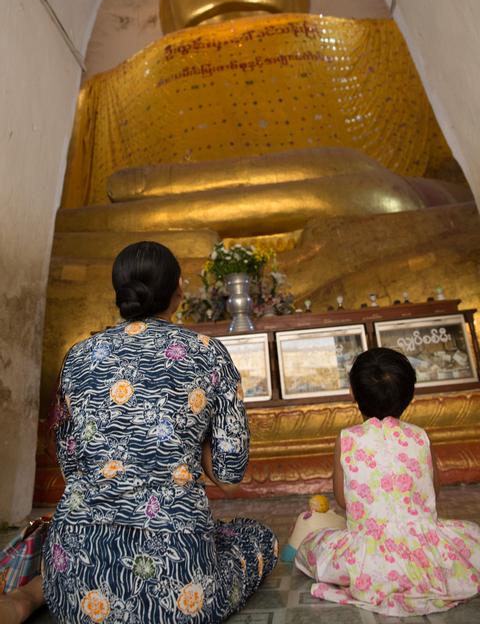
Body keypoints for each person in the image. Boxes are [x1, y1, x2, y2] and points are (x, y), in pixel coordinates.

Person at [1, 240, 277, 623]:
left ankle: (33, 594)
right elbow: (231, 474)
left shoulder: (78, 356)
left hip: (76, 583)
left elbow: (69, 465)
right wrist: (186, 444)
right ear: (178, 290)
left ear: (120, 293)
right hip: (181, 591)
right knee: (256, 537)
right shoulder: (208, 352)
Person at [295, 347, 480, 616]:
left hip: (368, 557)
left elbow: (344, 500)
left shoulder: (348, 438)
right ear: (410, 395)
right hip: (424, 549)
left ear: (353, 394)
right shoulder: (419, 436)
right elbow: (434, 491)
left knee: (311, 546)